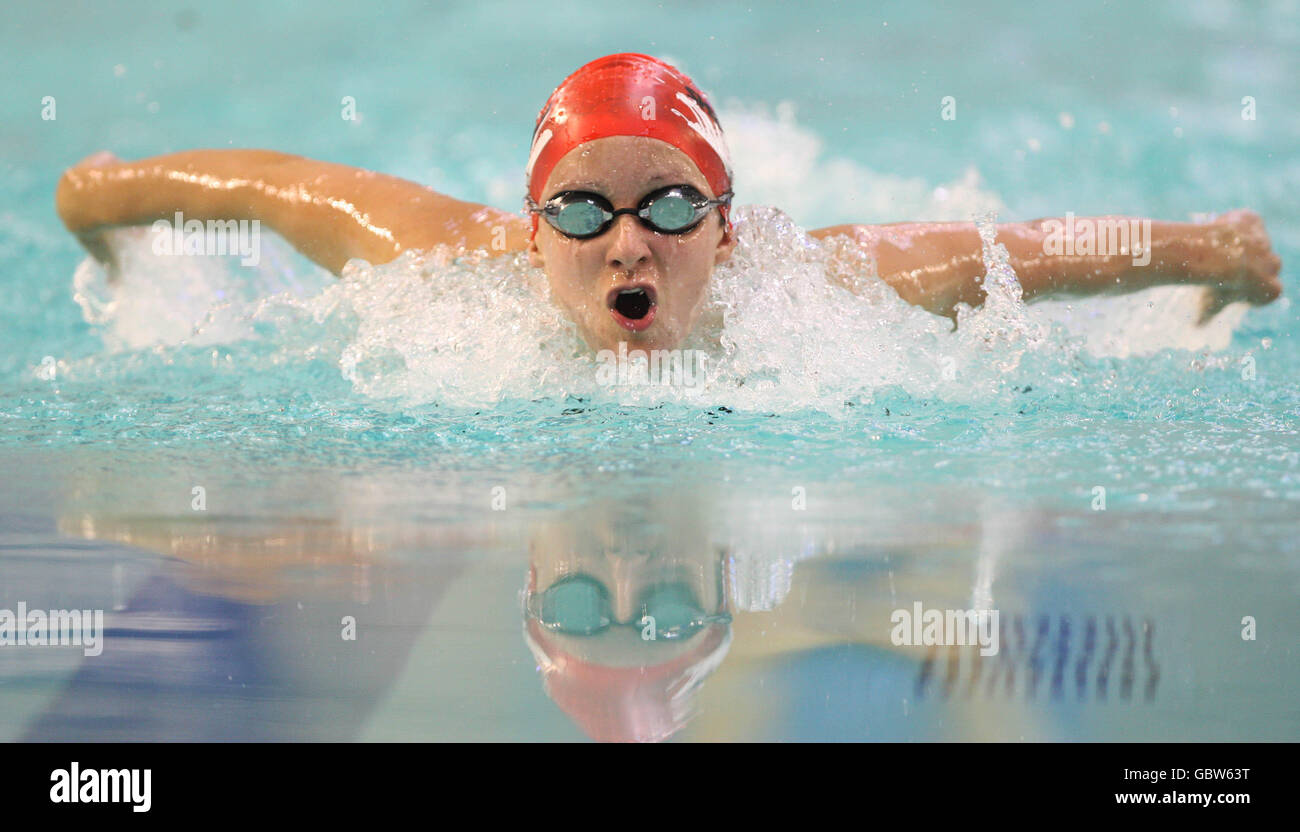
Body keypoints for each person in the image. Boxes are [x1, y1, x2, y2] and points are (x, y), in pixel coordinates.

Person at [55, 53, 1283, 355]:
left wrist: (1201, 250)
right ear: (532, 229)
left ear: (730, 226)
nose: (628, 242)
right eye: (582, 212)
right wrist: (100, 196)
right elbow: (277, 186)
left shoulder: (806, 287)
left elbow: (1015, 253)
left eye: (670, 208)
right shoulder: (442, 269)